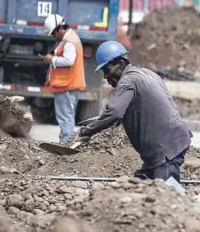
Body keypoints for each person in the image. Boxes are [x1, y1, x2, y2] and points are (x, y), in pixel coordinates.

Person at [76, 41, 192, 182]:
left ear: (121, 63)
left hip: (166, 148)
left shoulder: (128, 81)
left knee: (167, 193)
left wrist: (88, 131)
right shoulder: (147, 73)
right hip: (170, 141)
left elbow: (114, 112)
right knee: (139, 184)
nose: (106, 77)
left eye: (107, 70)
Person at [43, 14, 86, 143]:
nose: (53, 36)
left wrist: (52, 59)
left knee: (65, 117)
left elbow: (69, 60)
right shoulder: (70, 38)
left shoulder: (69, 42)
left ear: (60, 28)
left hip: (65, 85)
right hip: (69, 84)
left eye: (53, 33)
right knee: (68, 116)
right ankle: (67, 143)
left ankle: (66, 144)